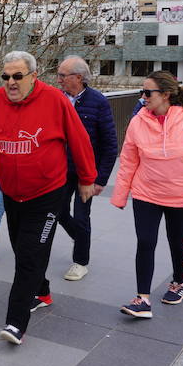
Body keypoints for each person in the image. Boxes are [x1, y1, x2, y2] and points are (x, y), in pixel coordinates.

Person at [0, 51, 96, 345]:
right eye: (6, 76)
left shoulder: (55, 101)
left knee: (29, 255)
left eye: (17, 76)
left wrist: (87, 179)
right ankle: (42, 291)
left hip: (48, 194)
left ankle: (15, 321)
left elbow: (79, 139)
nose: (11, 82)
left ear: (33, 76)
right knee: (25, 251)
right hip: (12, 193)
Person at [112, 71, 183, 319]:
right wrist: (120, 195)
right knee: (146, 242)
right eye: (141, 92)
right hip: (146, 192)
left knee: (176, 239)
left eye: (148, 92)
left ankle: (178, 283)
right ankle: (142, 299)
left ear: (166, 95)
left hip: (182, 194)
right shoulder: (138, 121)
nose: (143, 96)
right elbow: (128, 161)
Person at [55, 56, 118, 281]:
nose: (59, 79)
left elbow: (110, 144)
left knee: (82, 217)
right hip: (60, 170)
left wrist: (100, 179)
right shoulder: (56, 99)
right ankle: (80, 238)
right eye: (59, 75)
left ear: (78, 78)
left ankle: (80, 262)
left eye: (63, 75)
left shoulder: (98, 101)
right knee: (58, 212)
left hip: (85, 173)